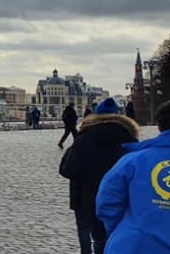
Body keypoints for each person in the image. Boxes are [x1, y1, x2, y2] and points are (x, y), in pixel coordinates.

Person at [59, 98, 139, 254]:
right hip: (118, 199)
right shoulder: (130, 141)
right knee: (108, 238)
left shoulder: (83, 139)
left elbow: (67, 170)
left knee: (85, 235)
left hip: (85, 198)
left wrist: (71, 151)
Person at [95, 99, 170, 253]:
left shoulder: (132, 160)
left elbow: (107, 202)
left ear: (159, 127)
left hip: (133, 245)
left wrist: (125, 229)